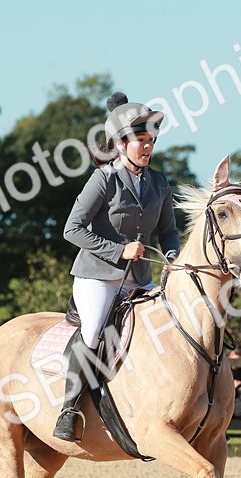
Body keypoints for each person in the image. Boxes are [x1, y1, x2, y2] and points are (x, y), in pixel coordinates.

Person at [53, 91, 181, 441]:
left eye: (151, 140)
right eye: (141, 140)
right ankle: (69, 410)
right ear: (122, 143)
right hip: (98, 276)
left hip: (140, 279)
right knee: (94, 330)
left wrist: (172, 260)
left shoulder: (159, 182)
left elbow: (169, 232)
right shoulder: (104, 179)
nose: (148, 147)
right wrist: (119, 251)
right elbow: (71, 229)